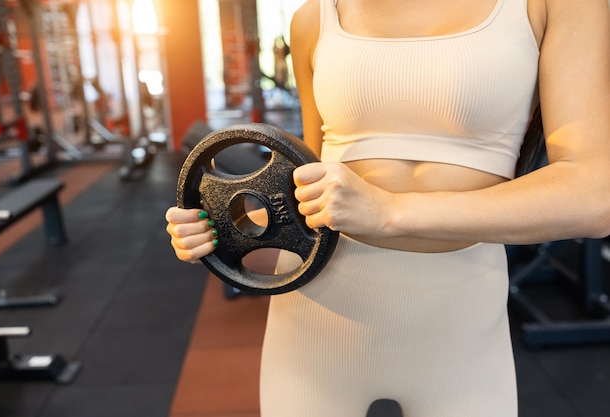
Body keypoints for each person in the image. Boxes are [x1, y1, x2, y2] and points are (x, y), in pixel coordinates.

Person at [165, 0, 610, 415]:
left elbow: (593, 197)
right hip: (316, 318)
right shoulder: (314, 18)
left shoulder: (554, 6)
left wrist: (390, 212)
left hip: (461, 332)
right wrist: (225, 223)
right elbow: (303, 182)